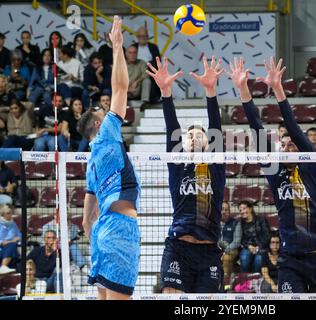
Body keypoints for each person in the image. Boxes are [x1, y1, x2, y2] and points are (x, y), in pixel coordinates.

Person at [228, 56, 316, 293]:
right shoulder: (275, 173)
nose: (288, 148)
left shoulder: (311, 166)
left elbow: (294, 127)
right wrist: (243, 89)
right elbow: (257, 129)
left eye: (292, 145)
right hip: (291, 259)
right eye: (284, 146)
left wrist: (278, 89)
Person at [147, 55, 225, 293]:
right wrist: (166, 92)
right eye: (189, 135)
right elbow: (172, 126)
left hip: (209, 250)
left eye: (198, 134)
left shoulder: (216, 165)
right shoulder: (177, 162)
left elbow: (215, 126)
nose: (193, 137)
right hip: (179, 248)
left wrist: (210, 91)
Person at [77, 16, 141, 300]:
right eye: (103, 113)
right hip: (119, 230)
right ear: (99, 126)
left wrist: (89, 225)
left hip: (102, 231)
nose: (108, 110)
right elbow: (121, 88)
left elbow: (87, 211)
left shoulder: (91, 158)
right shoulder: (107, 136)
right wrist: (117, 47)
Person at [131, 26, 161, 104]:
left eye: (145, 36)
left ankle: (152, 99)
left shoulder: (153, 47)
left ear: (147, 37)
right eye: (140, 36)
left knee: (149, 72)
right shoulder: (133, 47)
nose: (143, 38)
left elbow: (158, 61)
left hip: (148, 69)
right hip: (135, 69)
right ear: (137, 37)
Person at [238, 200, 270, 273]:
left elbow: (267, 236)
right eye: (240, 210)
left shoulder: (261, 220)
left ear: (250, 209)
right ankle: (245, 280)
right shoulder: (240, 223)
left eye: (244, 208)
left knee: (258, 261)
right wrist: (249, 246)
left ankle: (256, 280)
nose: (242, 211)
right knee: (244, 258)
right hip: (248, 247)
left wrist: (258, 247)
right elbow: (241, 239)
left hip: (262, 247)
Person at [219, 201, 242, 279]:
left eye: (226, 210)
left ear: (229, 211)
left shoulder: (236, 223)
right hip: (216, 250)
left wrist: (225, 251)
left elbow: (237, 242)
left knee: (226, 258)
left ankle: (225, 285)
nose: (224, 212)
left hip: (231, 249)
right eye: (222, 209)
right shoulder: (213, 223)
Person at [0, 204, 20, 275]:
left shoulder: (13, 224)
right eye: (8, 213)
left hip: (11, 246)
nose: (10, 215)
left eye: (11, 213)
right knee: (12, 245)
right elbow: (3, 242)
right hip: (1, 248)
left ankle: (4, 266)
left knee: (12, 245)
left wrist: (18, 238)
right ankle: (3, 266)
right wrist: (2, 242)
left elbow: (20, 235)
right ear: (2, 215)